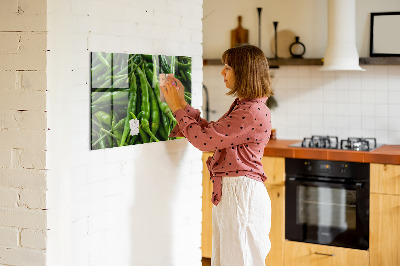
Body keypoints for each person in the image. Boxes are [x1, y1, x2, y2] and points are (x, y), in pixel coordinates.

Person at [161, 44, 273, 266]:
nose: (222, 72)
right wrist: (182, 104)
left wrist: (176, 108)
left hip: (241, 195)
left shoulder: (250, 111)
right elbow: (212, 133)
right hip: (236, 193)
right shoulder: (246, 106)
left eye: (228, 67)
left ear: (244, 72)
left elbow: (204, 141)